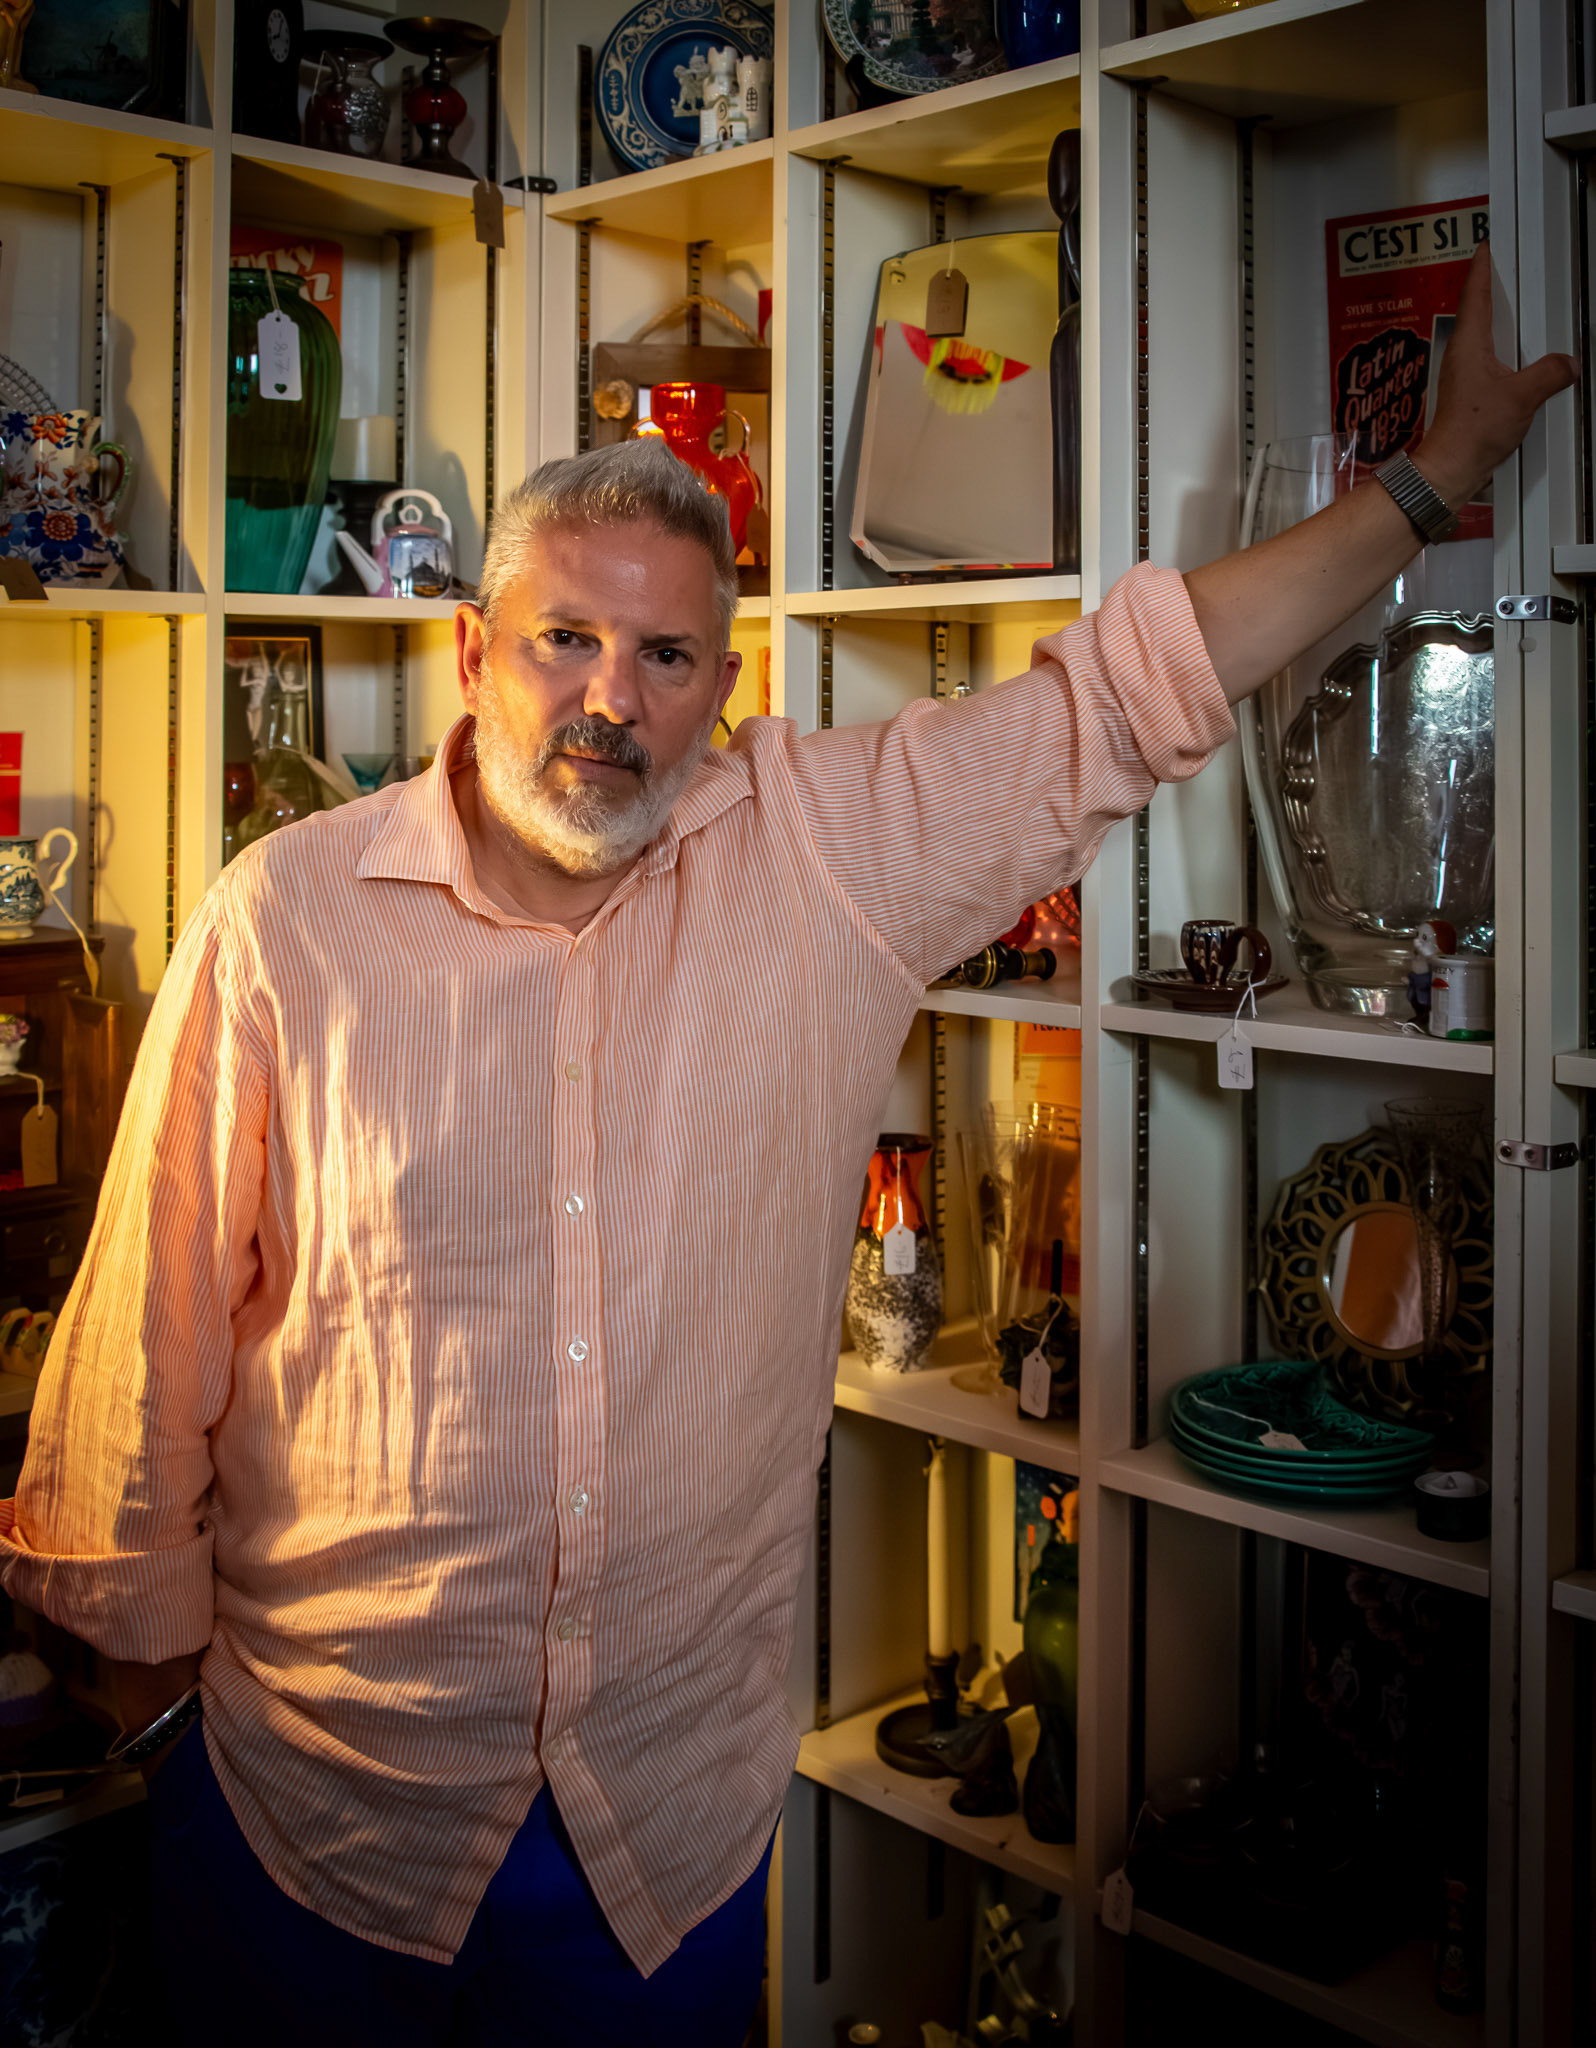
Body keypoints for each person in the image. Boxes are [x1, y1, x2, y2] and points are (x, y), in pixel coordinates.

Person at [0, 248, 1573, 2046]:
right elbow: (138, 1368)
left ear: (720, 682)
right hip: (311, 1838)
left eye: (664, 655)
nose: (610, 700)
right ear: (469, 652)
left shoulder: (820, 856)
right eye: (563, 642)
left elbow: (1129, 695)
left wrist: (1428, 486)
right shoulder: (288, 921)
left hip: (654, 1855)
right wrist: (156, 1725)